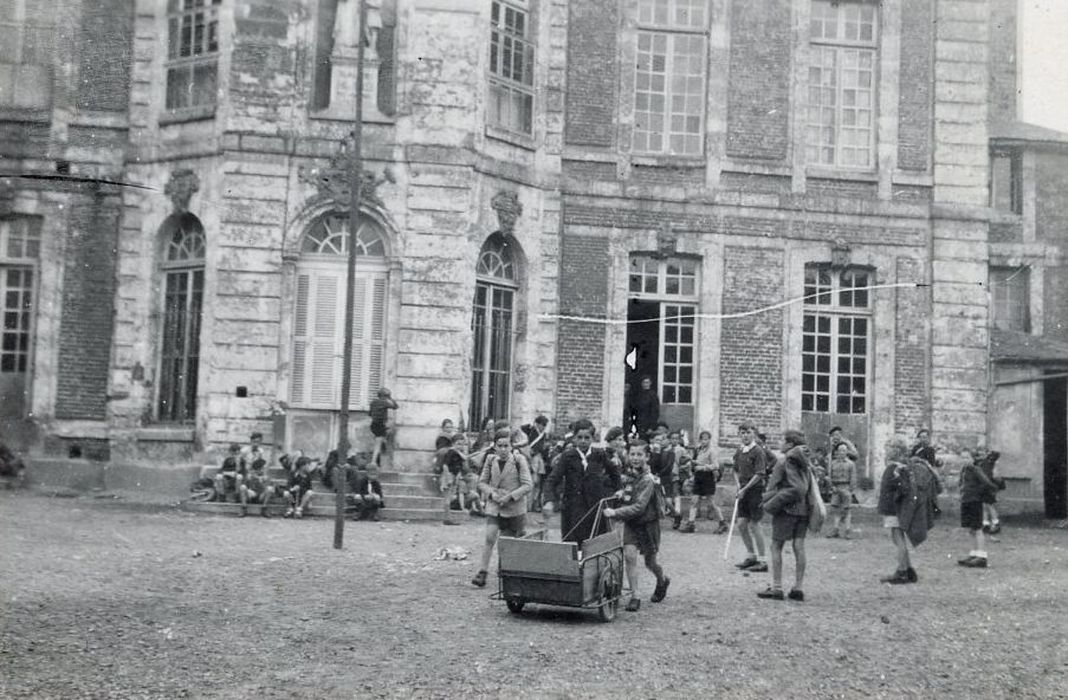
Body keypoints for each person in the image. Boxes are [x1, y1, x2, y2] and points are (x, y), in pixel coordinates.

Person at [604, 440, 671, 611]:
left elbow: (639, 507)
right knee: (629, 556)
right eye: (632, 454)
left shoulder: (648, 480)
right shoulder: (628, 475)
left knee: (650, 562)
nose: (635, 458)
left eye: (639, 454)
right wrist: (621, 492)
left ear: (647, 457)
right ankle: (635, 596)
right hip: (632, 524)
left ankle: (662, 580)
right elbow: (628, 491)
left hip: (648, 525)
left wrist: (615, 513)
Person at [543, 418, 622, 546]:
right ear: (574, 438)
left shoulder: (599, 455)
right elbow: (552, 480)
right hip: (572, 509)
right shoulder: (567, 456)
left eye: (587, 437)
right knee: (573, 546)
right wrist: (549, 500)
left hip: (594, 509)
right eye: (579, 437)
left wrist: (619, 489)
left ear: (593, 438)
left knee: (594, 545)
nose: (583, 441)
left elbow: (614, 472)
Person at [471, 429, 534, 588]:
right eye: (500, 446)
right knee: (490, 536)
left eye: (507, 446)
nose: (504, 449)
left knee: (506, 542)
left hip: (514, 508)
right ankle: (482, 572)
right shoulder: (490, 460)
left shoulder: (519, 461)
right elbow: (481, 482)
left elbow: (528, 485)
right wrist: (491, 494)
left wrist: (511, 496)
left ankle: (505, 571)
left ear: (512, 446)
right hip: (495, 504)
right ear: (495, 446)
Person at [757, 430, 811, 601]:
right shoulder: (805, 462)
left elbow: (780, 488)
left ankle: (777, 588)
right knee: (799, 547)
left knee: (776, 546)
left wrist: (770, 502)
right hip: (803, 510)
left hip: (786, 510)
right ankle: (798, 587)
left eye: (782, 440)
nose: (780, 443)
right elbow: (804, 488)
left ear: (789, 444)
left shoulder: (783, 462)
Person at [878, 440, 940, 583]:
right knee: (898, 539)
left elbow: (901, 488)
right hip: (897, 508)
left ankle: (902, 571)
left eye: (889, 447)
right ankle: (908, 569)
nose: (886, 450)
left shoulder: (895, 468)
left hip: (893, 509)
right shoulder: (903, 467)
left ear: (895, 450)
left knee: (898, 539)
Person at [732, 421, 768, 572]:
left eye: (748, 432)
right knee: (741, 524)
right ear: (739, 435)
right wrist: (738, 485)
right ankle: (751, 556)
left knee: (754, 524)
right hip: (743, 491)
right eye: (742, 433)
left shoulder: (758, 451)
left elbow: (760, 474)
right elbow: (734, 469)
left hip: (755, 490)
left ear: (754, 434)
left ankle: (762, 561)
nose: (745, 435)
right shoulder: (740, 450)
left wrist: (745, 488)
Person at [959, 448, 1001, 568]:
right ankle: (974, 553)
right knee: (971, 529)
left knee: (977, 528)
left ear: (973, 459)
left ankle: (982, 556)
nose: (964, 460)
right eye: (962, 458)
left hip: (974, 501)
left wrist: (978, 493)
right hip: (966, 501)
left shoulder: (976, 469)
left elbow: (987, 483)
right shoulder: (964, 470)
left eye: (967, 458)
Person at [682, 430, 727, 534]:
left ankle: (722, 523)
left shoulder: (712, 451)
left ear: (710, 440)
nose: (704, 441)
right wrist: (692, 463)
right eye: (702, 439)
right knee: (694, 500)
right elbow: (697, 462)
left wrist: (703, 468)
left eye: (706, 439)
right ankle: (691, 523)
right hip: (698, 478)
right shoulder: (698, 450)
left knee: (712, 502)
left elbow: (716, 465)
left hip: (708, 478)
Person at [826, 442, 857, 538]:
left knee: (847, 510)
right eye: (840, 450)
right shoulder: (833, 463)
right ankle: (836, 530)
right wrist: (832, 487)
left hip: (846, 487)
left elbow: (853, 477)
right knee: (836, 510)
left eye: (844, 450)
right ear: (837, 452)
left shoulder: (850, 464)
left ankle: (847, 530)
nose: (842, 452)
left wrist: (850, 490)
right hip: (836, 488)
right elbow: (829, 476)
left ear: (847, 452)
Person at [521, 415, 551, 512]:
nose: (543, 427)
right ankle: (527, 505)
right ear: (537, 424)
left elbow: (543, 449)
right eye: (542, 424)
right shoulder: (530, 431)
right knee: (530, 482)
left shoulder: (544, 435)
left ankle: (534, 504)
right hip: (529, 458)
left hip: (538, 459)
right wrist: (531, 425)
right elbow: (521, 429)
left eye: (545, 425)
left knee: (537, 482)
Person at [369, 388, 399, 467]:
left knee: (383, 443)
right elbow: (395, 406)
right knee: (378, 444)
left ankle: (388, 462)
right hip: (380, 425)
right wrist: (390, 398)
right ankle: (373, 462)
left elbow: (369, 414)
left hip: (374, 425)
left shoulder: (373, 402)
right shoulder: (385, 402)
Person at [977, 448, 1004, 534]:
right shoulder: (984, 463)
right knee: (984, 504)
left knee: (989, 504)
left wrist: (996, 486)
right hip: (985, 486)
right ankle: (985, 523)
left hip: (989, 486)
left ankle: (995, 523)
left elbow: (996, 476)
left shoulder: (991, 464)